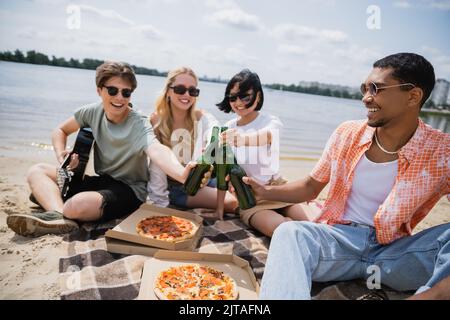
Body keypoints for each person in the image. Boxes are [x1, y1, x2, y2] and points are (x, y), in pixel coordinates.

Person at [241, 53, 449, 299]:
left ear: (413, 96)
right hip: (338, 244)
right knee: (290, 233)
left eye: (376, 88)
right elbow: (310, 187)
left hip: (395, 255)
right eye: (364, 88)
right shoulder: (347, 133)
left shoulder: (442, 151)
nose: (366, 97)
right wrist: (265, 192)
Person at [7, 61, 209, 237]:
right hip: (100, 180)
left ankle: (56, 205)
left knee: (76, 206)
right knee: (37, 170)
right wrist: (62, 154)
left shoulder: (139, 123)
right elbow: (60, 130)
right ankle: (60, 216)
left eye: (126, 92)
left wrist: (183, 175)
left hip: (129, 190)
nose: (119, 97)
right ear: (99, 90)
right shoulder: (92, 111)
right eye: (112, 90)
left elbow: (157, 150)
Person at [216, 69, 321, 236]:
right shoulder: (228, 128)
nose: (238, 102)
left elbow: (268, 136)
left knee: (316, 225)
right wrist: (219, 210)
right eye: (233, 97)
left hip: (280, 190)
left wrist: (243, 139)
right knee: (283, 231)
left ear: (258, 96)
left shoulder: (270, 121)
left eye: (245, 96)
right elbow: (222, 173)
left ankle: (313, 208)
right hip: (251, 200)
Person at [148, 67, 238, 213]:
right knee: (233, 203)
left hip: (206, 179)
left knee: (247, 191)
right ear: (168, 91)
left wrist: (210, 145)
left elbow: (214, 128)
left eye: (192, 91)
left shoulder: (200, 117)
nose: (186, 95)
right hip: (180, 188)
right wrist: (159, 202)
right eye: (180, 89)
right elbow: (155, 163)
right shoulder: (155, 120)